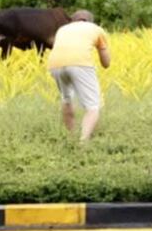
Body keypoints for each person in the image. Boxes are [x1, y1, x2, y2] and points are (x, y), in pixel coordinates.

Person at [47, 9, 110, 141]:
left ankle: (71, 136)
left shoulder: (62, 29)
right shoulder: (96, 29)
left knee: (66, 98)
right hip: (79, 63)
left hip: (54, 64)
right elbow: (106, 63)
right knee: (93, 107)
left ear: (72, 20)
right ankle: (83, 141)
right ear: (89, 21)